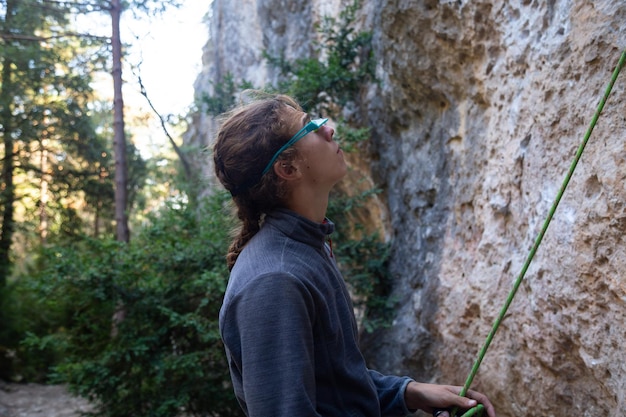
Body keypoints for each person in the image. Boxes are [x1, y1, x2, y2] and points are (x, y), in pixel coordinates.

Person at [213, 93, 496, 417]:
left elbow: (334, 385)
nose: (328, 129)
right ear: (287, 168)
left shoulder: (307, 247)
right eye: (310, 127)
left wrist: (408, 392)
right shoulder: (275, 281)